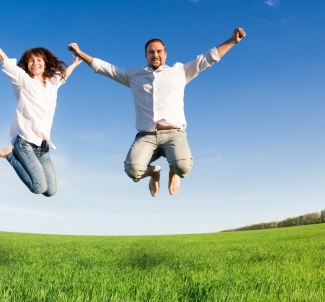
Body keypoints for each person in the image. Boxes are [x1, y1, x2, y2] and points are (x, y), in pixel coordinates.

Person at [68, 27, 246, 197]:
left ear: (165, 53)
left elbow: (208, 58)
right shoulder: (134, 75)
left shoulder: (180, 71)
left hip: (173, 134)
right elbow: (106, 69)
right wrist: (80, 53)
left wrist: (232, 41)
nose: (156, 55)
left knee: (183, 167)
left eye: (159, 51)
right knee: (133, 170)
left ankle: (174, 171)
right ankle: (154, 173)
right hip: (147, 135)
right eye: (151, 52)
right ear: (146, 55)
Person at [0, 22, 82, 197]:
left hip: (43, 146)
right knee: (37, 187)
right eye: (31, 60)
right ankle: (10, 155)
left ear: (45, 62)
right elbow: (3, 58)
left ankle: (15, 155)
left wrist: (74, 65)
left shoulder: (53, 81)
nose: (35, 63)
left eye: (39, 60)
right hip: (25, 141)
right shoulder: (23, 80)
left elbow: (63, 75)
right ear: (26, 65)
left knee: (50, 191)